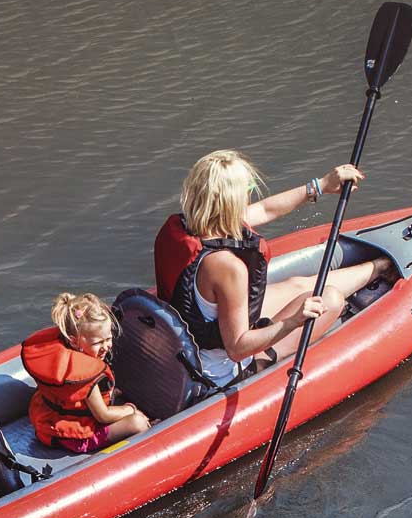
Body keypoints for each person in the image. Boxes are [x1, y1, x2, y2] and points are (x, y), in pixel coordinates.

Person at [152, 149, 394, 383]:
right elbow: (237, 349)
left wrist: (320, 185)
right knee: (330, 299)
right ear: (231, 201)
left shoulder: (183, 229)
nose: (251, 195)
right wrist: (292, 322)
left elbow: (266, 209)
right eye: (248, 189)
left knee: (295, 285)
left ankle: (380, 266)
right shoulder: (227, 267)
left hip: (187, 343)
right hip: (219, 370)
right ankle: (382, 268)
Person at [20, 292, 151, 454]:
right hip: (73, 439)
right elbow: (103, 416)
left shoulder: (62, 359)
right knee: (137, 423)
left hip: (48, 426)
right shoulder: (85, 376)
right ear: (74, 340)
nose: (106, 346)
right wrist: (129, 409)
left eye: (108, 339)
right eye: (98, 342)